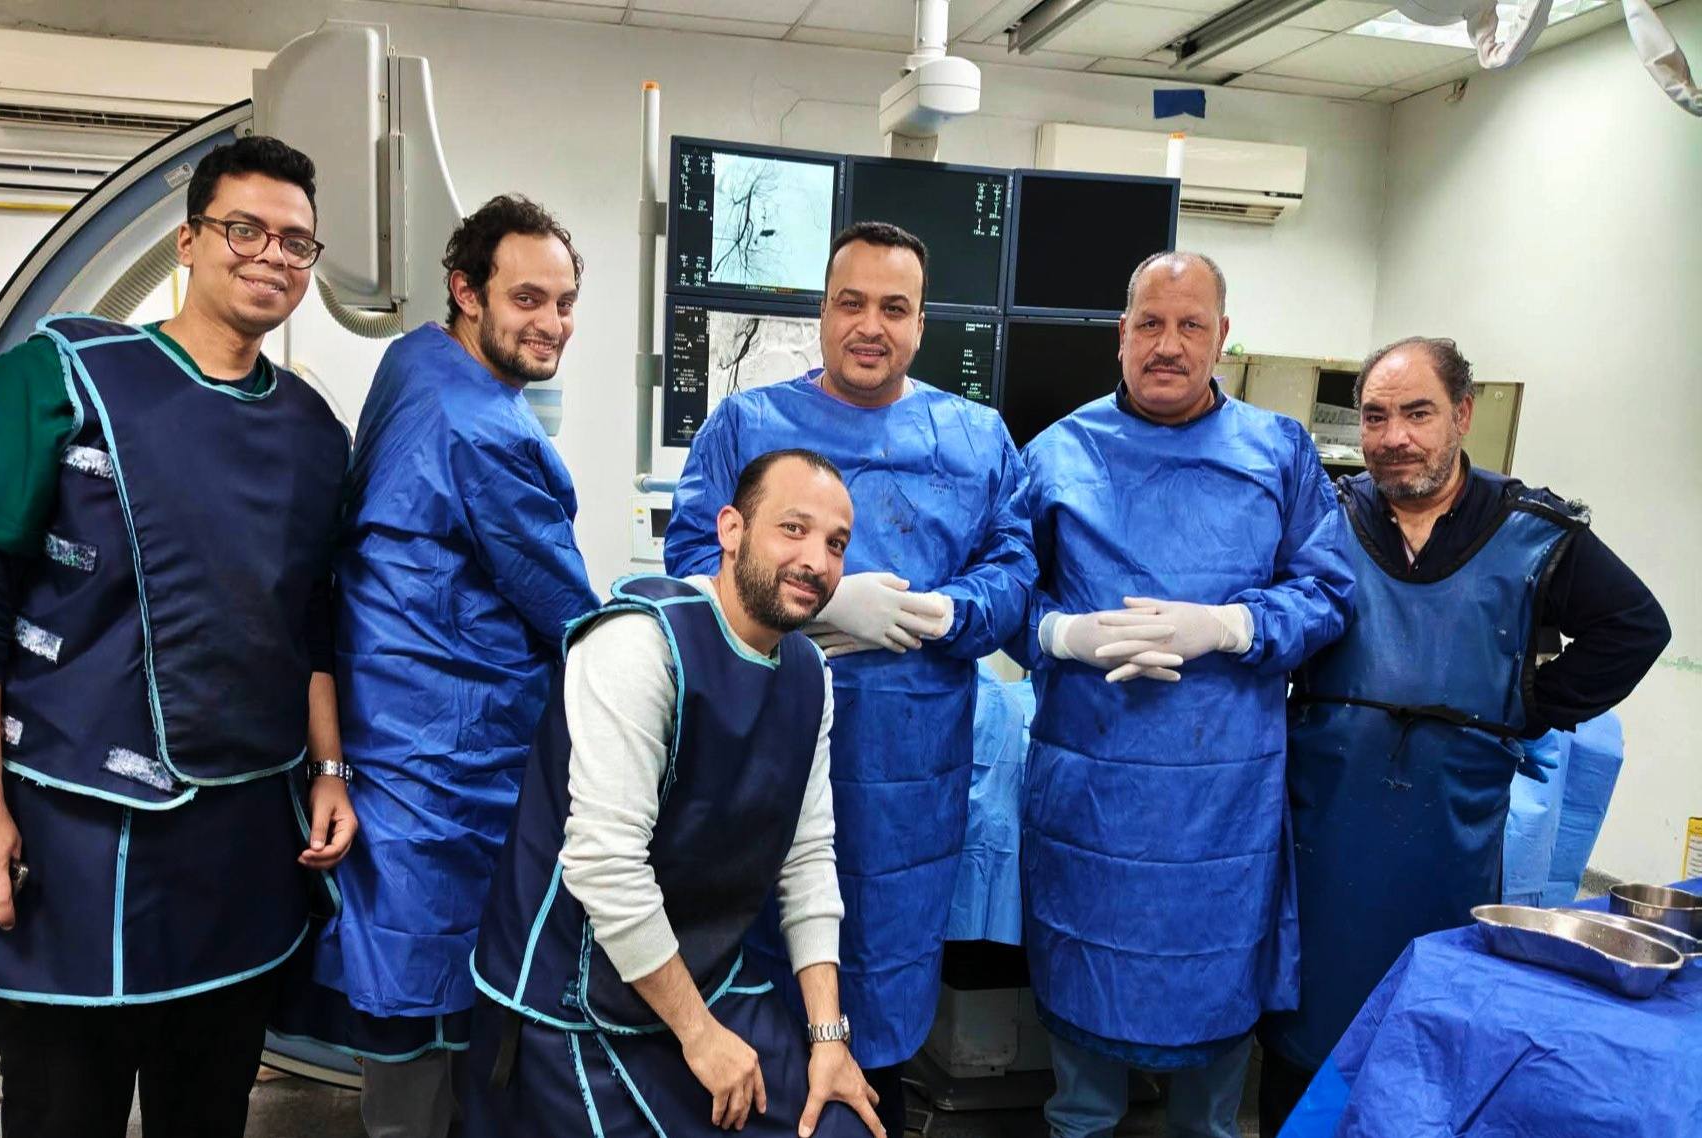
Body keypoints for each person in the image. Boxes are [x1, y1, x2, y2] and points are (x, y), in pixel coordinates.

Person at [0, 136, 355, 1138]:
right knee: (63, 1111)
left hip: (239, 852)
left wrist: (329, 768)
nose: (272, 255)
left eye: (296, 242)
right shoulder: (57, 378)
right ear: (189, 241)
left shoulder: (314, 431)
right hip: (70, 841)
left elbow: (311, 620)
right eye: (244, 229)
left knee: (209, 1113)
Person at [663, 222, 1036, 1134]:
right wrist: (827, 611)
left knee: (879, 1009)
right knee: (752, 996)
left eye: (894, 308)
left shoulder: (975, 438)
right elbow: (690, 565)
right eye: (852, 303)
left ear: (922, 323)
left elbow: (1014, 569)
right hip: (765, 750)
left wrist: (944, 613)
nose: (871, 326)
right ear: (823, 312)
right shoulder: (748, 426)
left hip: (908, 777)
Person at [1256, 336, 1671, 1136]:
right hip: (1323, 835)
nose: (1394, 437)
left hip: (1450, 837)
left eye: (1418, 413)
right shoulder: (1324, 521)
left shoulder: (1532, 534)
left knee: (1425, 1032)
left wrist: (1528, 706)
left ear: (1463, 415)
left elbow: (1635, 627)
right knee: (1306, 1041)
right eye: (1375, 417)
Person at [273, 194, 599, 1138]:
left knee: (412, 989)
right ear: (466, 291)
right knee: (438, 1005)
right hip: (450, 765)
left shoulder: (414, 359)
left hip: (392, 736)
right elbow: (570, 612)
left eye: (565, 303)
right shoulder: (485, 432)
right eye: (527, 299)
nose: (552, 324)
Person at [1015, 251, 1355, 1138]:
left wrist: (1231, 626)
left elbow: (1328, 592)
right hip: (1093, 796)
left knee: (1211, 1083)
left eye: (1190, 325)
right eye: (1150, 324)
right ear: (1121, 334)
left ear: (1222, 337)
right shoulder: (1057, 454)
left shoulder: (1277, 453)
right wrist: (1064, 635)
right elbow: (1008, 598)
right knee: (1083, 1093)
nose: (1168, 345)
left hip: (1222, 805)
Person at [465, 448, 885, 1138]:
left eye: (836, 544)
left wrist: (828, 1038)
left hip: (706, 974)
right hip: (574, 999)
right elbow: (606, 867)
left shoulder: (809, 675)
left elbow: (807, 857)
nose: (817, 560)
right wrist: (701, 1037)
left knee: (840, 1126)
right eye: (793, 528)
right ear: (731, 530)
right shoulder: (639, 646)